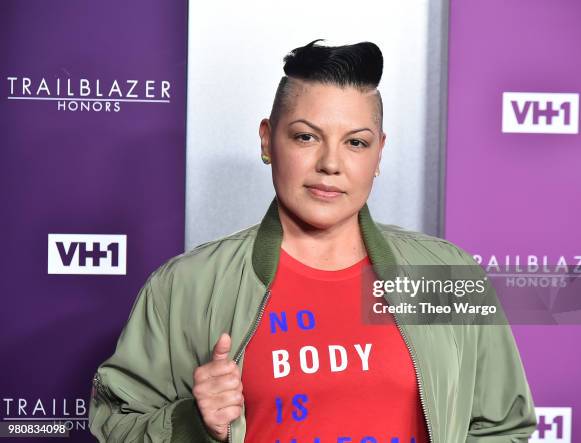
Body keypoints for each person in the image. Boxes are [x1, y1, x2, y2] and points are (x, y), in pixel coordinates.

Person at [88, 40, 537, 443]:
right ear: (268, 140)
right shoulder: (185, 285)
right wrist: (193, 425)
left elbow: (503, 427)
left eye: (356, 143)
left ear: (379, 152)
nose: (330, 164)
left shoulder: (441, 275)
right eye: (306, 136)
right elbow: (118, 425)